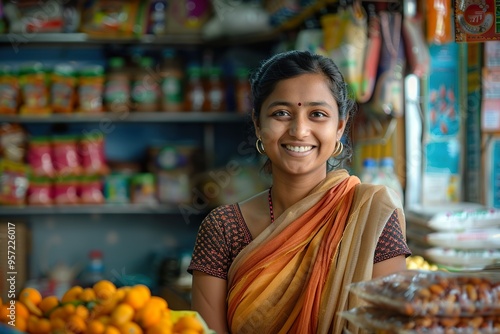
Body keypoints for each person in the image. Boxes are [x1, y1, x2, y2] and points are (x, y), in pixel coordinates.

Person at [187, 50, 411, 334]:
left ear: (340, 127)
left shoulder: (370, 216)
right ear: (258, 124)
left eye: (317, 114)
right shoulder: (224, 228)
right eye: (281, 113)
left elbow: (389, 325)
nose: (299, 130)